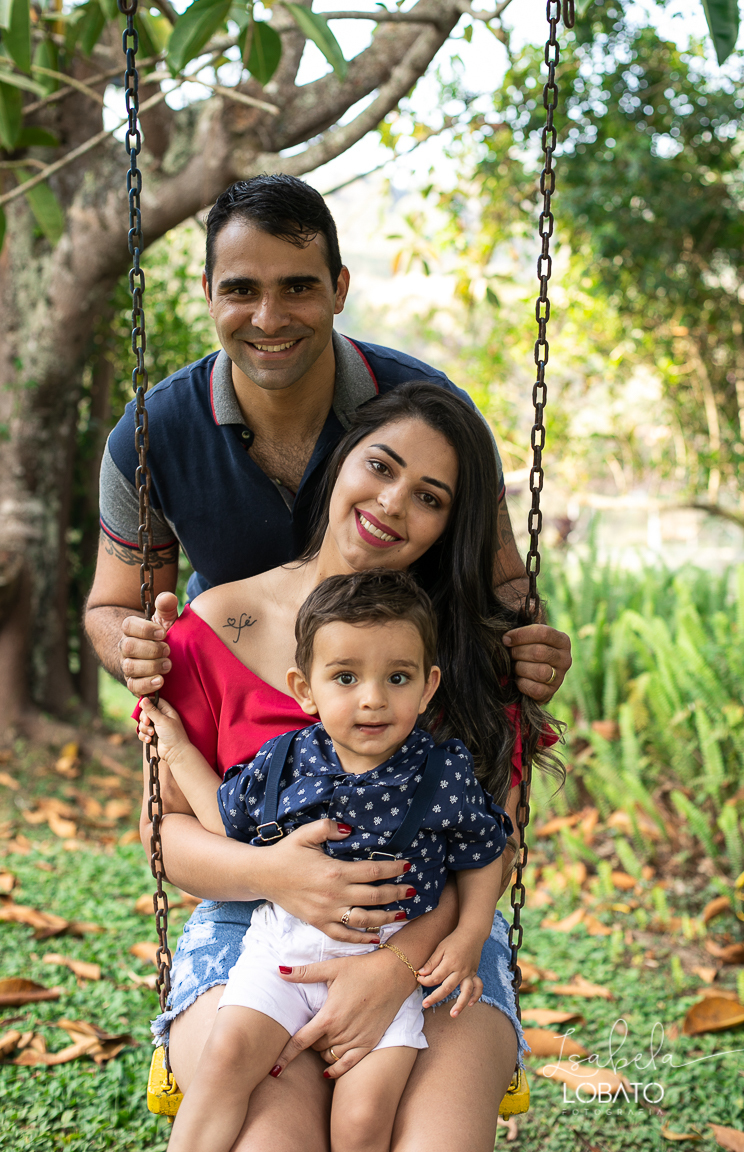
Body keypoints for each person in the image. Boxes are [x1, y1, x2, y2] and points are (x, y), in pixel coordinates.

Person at [134, 382, 562, 1152]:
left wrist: (400, 963)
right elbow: (169, 836)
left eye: (429, 497)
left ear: (447, 525)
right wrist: (278, 874)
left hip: (435, 929)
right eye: (382, 466)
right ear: (340, 465)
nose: (395, 503)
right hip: (253, 924)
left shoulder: (461, 656)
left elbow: (481, 848)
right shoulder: (212, 629)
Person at [83, 173, 572, 707]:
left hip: (402, 716)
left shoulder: (429, 413)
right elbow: (114, 606)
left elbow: (503, 583)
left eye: (298, 287)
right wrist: (132, 648)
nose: (269, 319)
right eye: (241, 290)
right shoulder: (150, 438)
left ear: (338, 288)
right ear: (208, 293)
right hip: (239, 713)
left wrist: (532, 641)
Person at [137, 569, 512, 1152]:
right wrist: (180, 750)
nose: (372, 698)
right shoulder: (286, 760)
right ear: (304, 688)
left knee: (362, 1120)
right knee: (226, 1060)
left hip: (391, 954)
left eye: (398, 677)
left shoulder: (442, 774)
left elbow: (488, 849)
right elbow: (222, 818)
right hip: (285, 947)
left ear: (428, 685)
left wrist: (472, 931)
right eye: (345, 676)